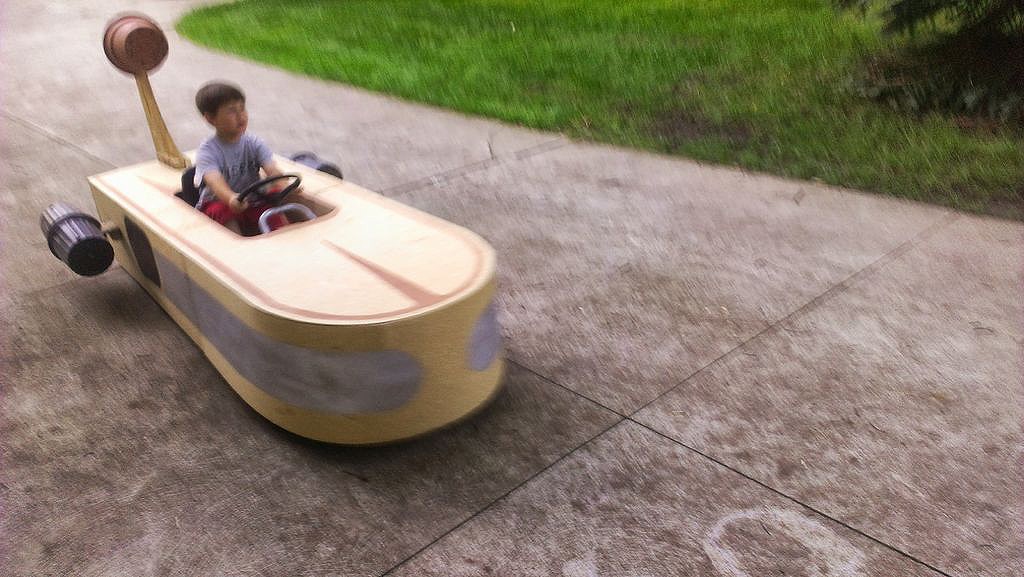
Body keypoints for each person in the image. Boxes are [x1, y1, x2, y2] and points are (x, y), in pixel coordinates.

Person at [192, 81, 295, 234]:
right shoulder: (207, 151)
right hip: (221, 201)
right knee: (222, 212)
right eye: (232, 111)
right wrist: (231, 198)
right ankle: (234, 244)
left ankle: (286, 235)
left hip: (253, 200)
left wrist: (284, 184)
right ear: (211, 118)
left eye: (242, 108)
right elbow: (215, 182)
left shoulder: (254, 143)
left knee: (273, 206)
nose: (241, 115)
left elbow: (271, 169)